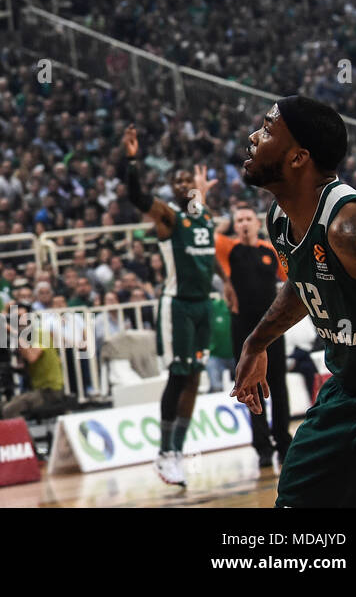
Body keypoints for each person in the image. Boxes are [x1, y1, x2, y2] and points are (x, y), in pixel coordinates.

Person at [233, 97, 356, 507]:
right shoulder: (280, 220)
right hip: (347, 393)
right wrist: (257, 342)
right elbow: (305, 285)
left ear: (299, 157)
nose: (253, 137)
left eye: (268, 129)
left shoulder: (353, 225)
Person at [122, 125, 216, 488]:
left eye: (187, 179)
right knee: (178, 376)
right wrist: (132, 159)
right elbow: (135, 195)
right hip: (176, 307)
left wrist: (228, 288)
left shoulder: (204, 215)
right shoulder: (169, 217)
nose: (182, 185)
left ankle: (178, 450)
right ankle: (164, 453)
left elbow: (209, 258)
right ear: (171, 188)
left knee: (195, 377)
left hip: (203, 306)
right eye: (176, 181)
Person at [216, 202, 292, 466]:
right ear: (235, 226)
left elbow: (288, 280)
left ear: (258, 224)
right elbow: (212, 237)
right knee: (250, 386)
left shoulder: (270, 251)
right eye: (240, 220)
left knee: (278, 385)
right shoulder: (229, 249)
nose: (245, 223)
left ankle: (283, 440)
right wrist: (226, 220)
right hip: (243, 331)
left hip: (272, 328)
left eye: (249, 219)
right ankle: (262, 447)